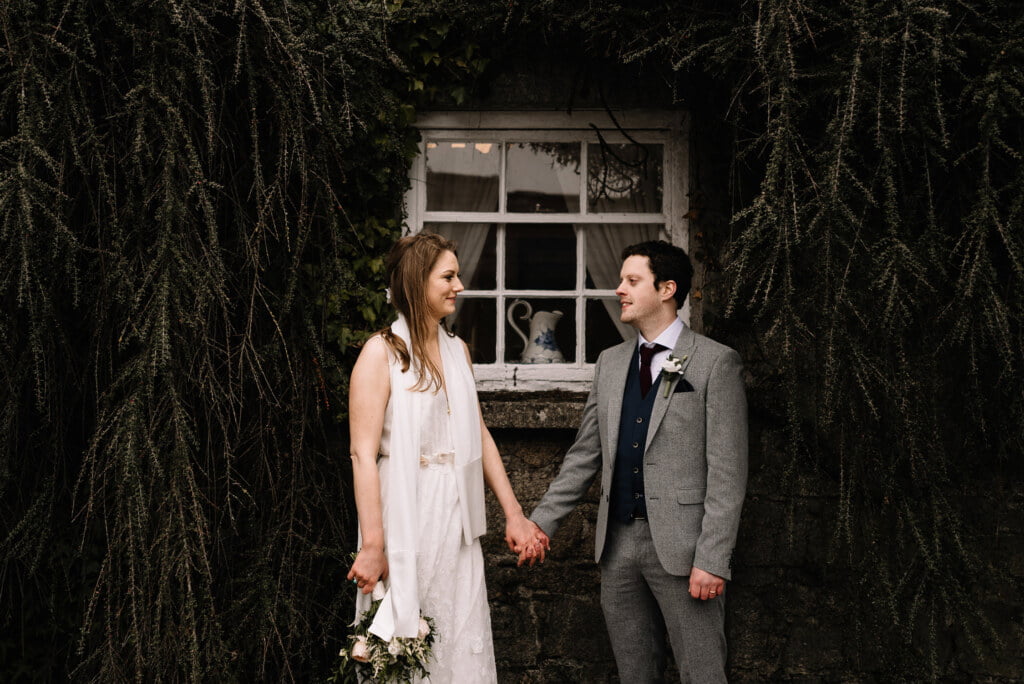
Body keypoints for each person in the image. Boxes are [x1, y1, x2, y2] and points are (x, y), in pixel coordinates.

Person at [523, 240, 748, 683]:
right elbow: (585, 455)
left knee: (702, 674)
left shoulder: (715, 363)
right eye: (621, 280)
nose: (619, 289)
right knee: (634, 675)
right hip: (618, 547)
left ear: (667, 289)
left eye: (632, 280)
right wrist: (541, 523)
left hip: (686, 550)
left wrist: (713, 558)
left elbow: (728, 473)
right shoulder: (610, 363)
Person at [346, 232, 544, 683]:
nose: (459, 286)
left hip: (455, 515)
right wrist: (373, 545)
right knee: (403, 639)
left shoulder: (458, 350)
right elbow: (362, 454)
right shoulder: (380, 353)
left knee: (458, 633)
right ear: (419, 281)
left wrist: (514, 515)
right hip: (404, 508)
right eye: (448, 276)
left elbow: (478, 433)